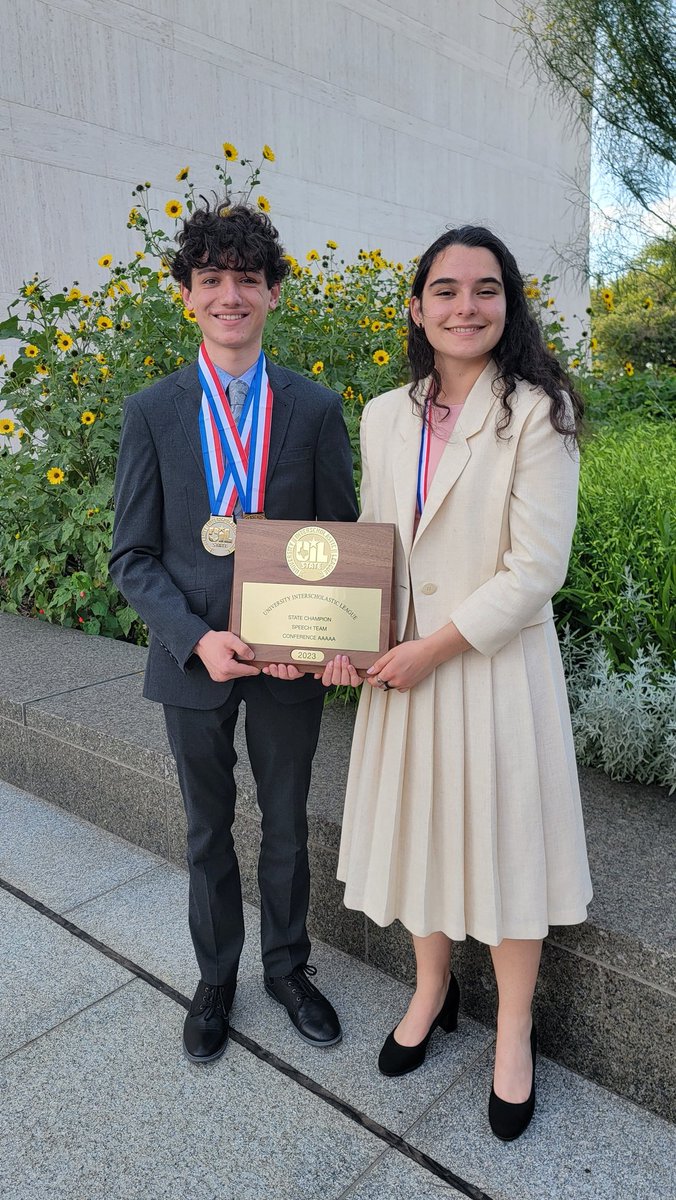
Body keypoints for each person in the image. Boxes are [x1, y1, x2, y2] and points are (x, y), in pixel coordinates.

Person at [321, 226, 592, 1141]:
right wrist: (349, 637)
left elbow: (535, 570)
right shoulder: (386, 413)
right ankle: (431, 990)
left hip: (490, 667)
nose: (465, 307)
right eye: (445, 290)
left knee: (511, 851)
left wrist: (432, 646)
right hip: (401, 666)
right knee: (422, 838)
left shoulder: (538, 411)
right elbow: (376, 539)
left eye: (485, 290)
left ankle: (512, 1033)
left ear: (508, 304)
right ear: (416, 307)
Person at [109, 201, 358, 1065]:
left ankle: (289, 966)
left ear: (274, 293)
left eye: (246, 279)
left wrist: (326, 636)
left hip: (288, 667)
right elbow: (132, 556)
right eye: (210, 279)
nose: (229, 294)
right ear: (187, 296)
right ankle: (217, 976)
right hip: (194, 659)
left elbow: (344, 540)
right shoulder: (152, 411)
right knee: (206, 829)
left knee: (286, 821)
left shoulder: (317, 409)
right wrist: (194, 636)